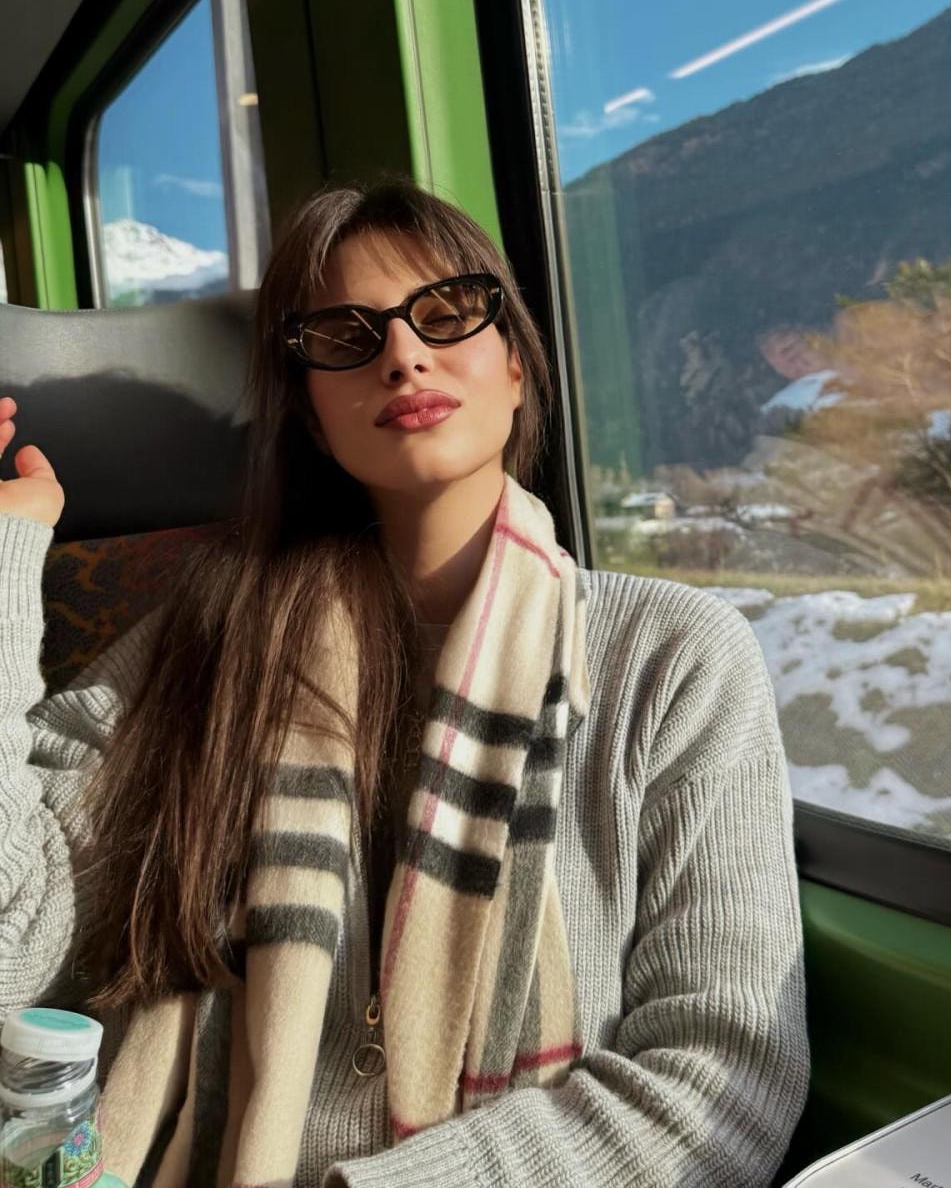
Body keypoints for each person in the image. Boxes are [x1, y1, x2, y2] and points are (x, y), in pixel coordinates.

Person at [0, 178, 807, 1186]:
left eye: (449, 311)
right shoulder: (197, 645)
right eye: (345, 335)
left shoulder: (673, 658)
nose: (403, 354)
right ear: (310, 413)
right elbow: (9, 950)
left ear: (516, 363)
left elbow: (723, 1082)